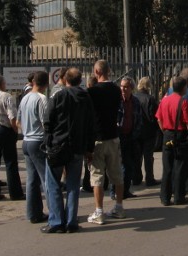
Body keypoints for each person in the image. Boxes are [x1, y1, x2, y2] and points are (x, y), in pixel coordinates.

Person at [41, 68, 94, 234]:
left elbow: (48, 121)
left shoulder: (59, 96)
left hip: (58, 145)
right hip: (77, 147)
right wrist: (89, 148)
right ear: (80, 81)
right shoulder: (86, 98)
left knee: (53, 184)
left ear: (65, 80)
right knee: (73, 185)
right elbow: (91, 125)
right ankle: (71, 221)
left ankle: (56, 221)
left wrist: (48, 142)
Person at [87, 60, 126, 225]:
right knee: (116, 174)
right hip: (113, 136)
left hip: (97, 137)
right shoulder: (116, 90)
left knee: (97, 176)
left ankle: (99, 211)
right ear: (108, 71)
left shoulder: (92, 92)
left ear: (96, 72)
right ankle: (119, 206)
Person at [156, 76, 188, 205]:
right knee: (180, 167)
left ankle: (165, 197)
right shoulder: (183, 102)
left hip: (167, 134)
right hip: (180, 135)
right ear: (184, 88)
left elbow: (159, 119)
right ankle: (179, 196)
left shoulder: (164, 101)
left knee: (167, 168)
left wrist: (165, 131)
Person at [18, 70, 49, 224]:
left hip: (26, 140)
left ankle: (33, 213)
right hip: (38, 141)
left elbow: (19, 120)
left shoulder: (25, 99)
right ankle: (55, 213)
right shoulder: (42, 99)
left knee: (32, 180)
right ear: (46, 83)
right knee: (46, 179)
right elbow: (46, 123)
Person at [116, 76, 142, 199]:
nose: (123, 89)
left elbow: (138, 119)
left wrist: (135, 135)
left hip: (130, 137)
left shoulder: (135, 102)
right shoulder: (117, 100)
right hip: (118, 137)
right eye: (121, 86)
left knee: (129, 166)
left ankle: (125, 190)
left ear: (131, 88)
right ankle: (114, 191)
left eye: (126, 87)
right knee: (116, 166)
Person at [133, 76, 160, 186]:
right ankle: (149, 178)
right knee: (148, 156)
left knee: (137, 156)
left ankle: (136, 178)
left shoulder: (134, 98)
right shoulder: (150, 99)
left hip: (136, 131)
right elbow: (154, 116)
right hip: (148, 131)